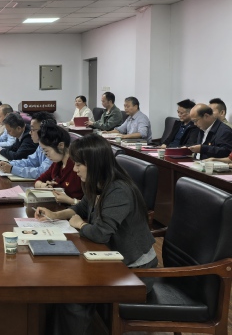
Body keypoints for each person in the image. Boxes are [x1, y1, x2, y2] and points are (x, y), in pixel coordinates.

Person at [36, 134, 157, 335]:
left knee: (74, 296)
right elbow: (82, 208)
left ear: (94, 164)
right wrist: (55, 215)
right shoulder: (97, 182)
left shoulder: (118, 190)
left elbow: (101, 234)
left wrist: (81, 225)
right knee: (57, 283)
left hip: (135, 270)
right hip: (111, 257)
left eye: (78, 165)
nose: (75, 169)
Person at [33, 122, 83, 205]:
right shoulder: (57, 164)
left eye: (47, 151)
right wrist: (44, 186)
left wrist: (70, 200)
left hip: (75, 209)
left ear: (61, 145)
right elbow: (38, 180)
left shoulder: (78, 167)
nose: (46, 155)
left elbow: (91, 203)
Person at [0, 111, 53, 179]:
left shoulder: (54, 148)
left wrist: (12, 169)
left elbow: (41, 172)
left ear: (44, 130)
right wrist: (10, 163)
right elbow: (30, 161)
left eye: (33, 129)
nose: (30, 132)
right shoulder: (41, 146)